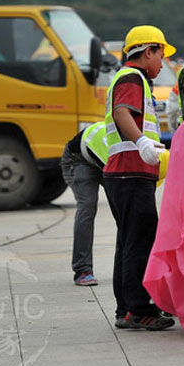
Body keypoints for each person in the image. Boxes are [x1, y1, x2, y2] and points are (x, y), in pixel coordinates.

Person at [103, 25, 174, 331]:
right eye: (161, 55)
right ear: (148, 52)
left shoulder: (133, 79)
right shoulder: (132, 77)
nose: (163, 63)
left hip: (125, 174)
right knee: (141, 241)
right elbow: (122, 113)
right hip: (130, 172)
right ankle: (140, 309)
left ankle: (126, 309)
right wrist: (142, 143)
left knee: (129, 242)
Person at [60, 121, 107, 286]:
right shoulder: (111, 149)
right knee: (88, 205)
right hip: (77, 158)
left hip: (99, 155)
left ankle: (132, 267)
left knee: (123, 209)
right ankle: (82, 269)